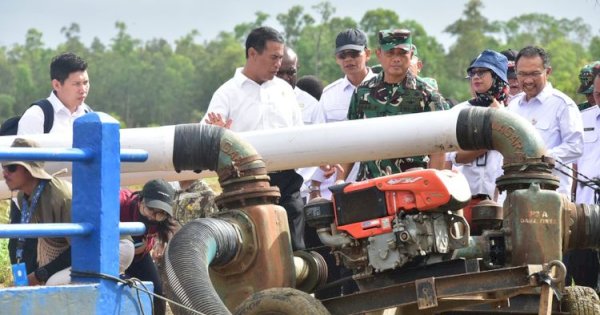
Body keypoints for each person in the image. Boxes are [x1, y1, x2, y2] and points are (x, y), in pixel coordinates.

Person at [202, 26, 306, 250]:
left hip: (287, 183)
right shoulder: (226, 93)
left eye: (280, 57)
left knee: (296, 249)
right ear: (252, 54)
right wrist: (218, 134)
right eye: (274, 57)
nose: (279, 64)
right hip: (244, 185)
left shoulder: (285, 91)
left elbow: (299, 134)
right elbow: (204, 137)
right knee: (256, 252)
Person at [343, 29, 449, 182]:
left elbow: (439, 147)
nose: (396, 59)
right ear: (379, 54)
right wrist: (339, 180)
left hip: (412, 186)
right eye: (390, 53)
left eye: (402, 53)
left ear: (411, 54)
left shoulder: (428, 95)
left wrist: (431, 186)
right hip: (371, 185)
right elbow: (350, 139)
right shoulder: (362, 92)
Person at [307, 28, 376, 201]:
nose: (348, 60)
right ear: (336, 59)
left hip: (379, 180)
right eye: (342, 55)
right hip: (340, 187)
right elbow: (318, 138)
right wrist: (314, 186)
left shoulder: (384, 88)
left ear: (367, 54)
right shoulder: (330, 95)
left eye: (354, 54)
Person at [507, 46, 583, 200]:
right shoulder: (512, 106)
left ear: (548, 72)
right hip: (515, 193)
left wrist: (543, 158)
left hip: (550, 197)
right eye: (522, 74)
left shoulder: (562, 105)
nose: (528, 80)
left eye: (535, 74)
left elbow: (576, 146)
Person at [448, 50, 509, 231]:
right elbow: (456, 157)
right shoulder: (458, 112)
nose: (476, 77)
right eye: (473, 73)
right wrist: (491, 137)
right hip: (466, 202)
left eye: (482, 72)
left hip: (503, 203)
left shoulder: (513, 114)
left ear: (497, 77)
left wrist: (498, 119)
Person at [4, 138, 72, 286]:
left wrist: (40, 275)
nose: (5, 173)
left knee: (53, 283)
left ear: (30, 169)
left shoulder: (60, 197)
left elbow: (81, 249)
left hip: (111, 248)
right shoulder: (23, 196)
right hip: (74, 249)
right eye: (4, 167)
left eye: (12, 167)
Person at [120, 179, 180, 315]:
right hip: (114, 254)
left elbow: (155, 237)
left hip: (139, 256)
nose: (153, 217)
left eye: (160, 213)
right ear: (141, 200)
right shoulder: (120, 203)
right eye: (151, 210)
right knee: (123, 288)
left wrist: (146, 248)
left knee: (157, 290)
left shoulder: (162, 219)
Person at [564, 67, 600, 291]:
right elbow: (573, 166)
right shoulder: (581, 118)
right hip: (585, 211)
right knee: (576, 280)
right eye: (598, 93)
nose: (598, 98)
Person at [18, 52, 92, 136]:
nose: (83, 90)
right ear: (56, 85)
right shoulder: (36, 116)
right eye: (76, 84)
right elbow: (26, 149)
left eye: (85, 83)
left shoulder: (90, 116)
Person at [277, 46, 325, 125]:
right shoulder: (262, 99)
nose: (285, 78)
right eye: (280, 73)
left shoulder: (311, 105)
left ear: (297, 69)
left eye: (291, 72)